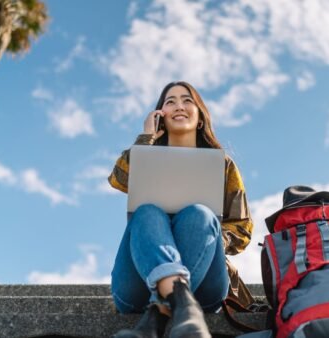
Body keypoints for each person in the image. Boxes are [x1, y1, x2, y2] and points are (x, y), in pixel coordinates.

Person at [108, 81, 254, 338]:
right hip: (136, 289)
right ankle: (177, 305)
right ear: (160, 116)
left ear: (199, 117)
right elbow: (118, 179)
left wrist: (207, 237)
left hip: (205, 289)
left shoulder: (223, 166)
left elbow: (242, 229)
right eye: (170, 101)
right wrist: (145, 139)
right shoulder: (144, 154)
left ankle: (157, 314)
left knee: (200, 214)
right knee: (147, 213)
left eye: (187, 100)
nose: (179, 106)